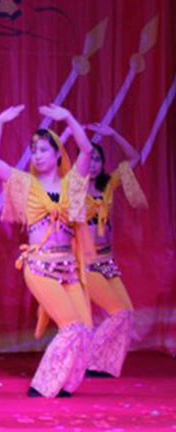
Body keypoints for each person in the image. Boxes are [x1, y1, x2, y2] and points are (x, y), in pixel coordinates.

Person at [0, 103, 94, 397]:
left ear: (58, 154)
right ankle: (43, 385)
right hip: (39, 267)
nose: (37, 155)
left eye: (44, 150)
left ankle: (66, 383)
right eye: (34, 151)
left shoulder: (72, 184)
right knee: (71, 327)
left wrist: (69, 117)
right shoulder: (25, 184)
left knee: (85, 330)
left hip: (68, 267)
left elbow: (86, 151)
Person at [66, 123, 147, 377]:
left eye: (97, 160)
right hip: (85, 263)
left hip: (107, 260)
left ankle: (101, 365)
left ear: (102, 164)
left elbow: (134, 158)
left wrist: (114, 134)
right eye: (89, 159)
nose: (93, 164)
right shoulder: (74, 187)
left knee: (127, 314)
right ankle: (88, 358)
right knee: (117, 313)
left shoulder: (108, 185)